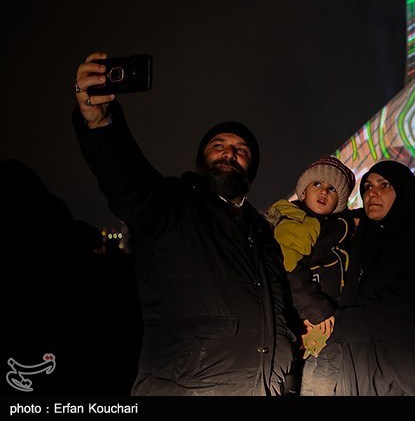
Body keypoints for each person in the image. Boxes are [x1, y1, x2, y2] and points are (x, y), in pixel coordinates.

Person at [71, 52, 295, 396]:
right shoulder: (171, 204)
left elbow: (277, 306)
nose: (229, 153)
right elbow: (125, 176)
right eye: (218, 146)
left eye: (241, 150)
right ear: (201, 158)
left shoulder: (262, 230)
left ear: (252, 169)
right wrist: (101, 125)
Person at [329, 160, 415, 396]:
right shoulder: (361, 240)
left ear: (403, 192)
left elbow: (400, 310)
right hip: (359, 375)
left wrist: (332, 326)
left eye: (384, 185)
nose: (372, 193)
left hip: (401, 380)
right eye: (367, 186)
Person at [265, 156, 357, 396]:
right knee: (317, 378)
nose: (324, 191)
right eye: (317, 184)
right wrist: (316, 309)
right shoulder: (298, 221)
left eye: (332, 189)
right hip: (311, 319)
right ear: (303, 191)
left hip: (321, 319)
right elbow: (288, 267)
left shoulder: (331, 225)